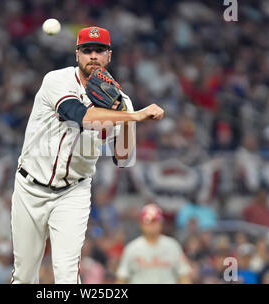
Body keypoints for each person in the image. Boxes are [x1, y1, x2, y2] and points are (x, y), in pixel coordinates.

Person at [10, 26, 164, 284]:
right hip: (30, 187)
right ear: (77, 54)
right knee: (24, 276)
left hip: (73, 192)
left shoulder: (122, 102)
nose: (93, 56)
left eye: (99, 50)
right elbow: (79, 115)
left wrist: (124, 115)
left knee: (67, 275)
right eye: (87, 50)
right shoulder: (56, 80)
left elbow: (123, 157)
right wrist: (133, 115)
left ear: (109, 56)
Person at [116, 204, 192, 284]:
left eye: (155, 221)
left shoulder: (172, 246)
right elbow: (122, 278)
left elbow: (183, 275)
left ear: (161, 223)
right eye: (148, 222)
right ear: (141, 224)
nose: (152, 226)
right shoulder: (132, 248)